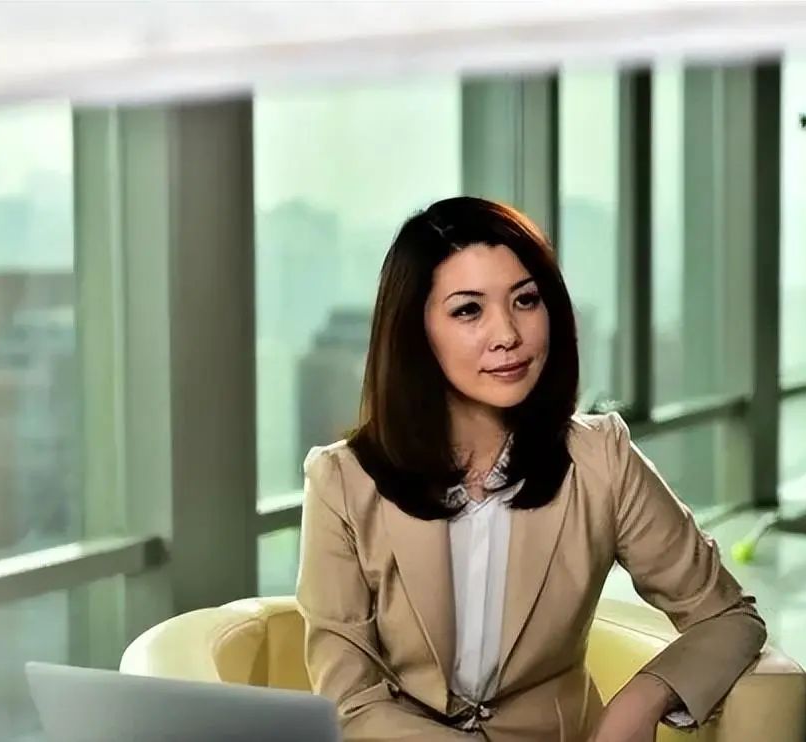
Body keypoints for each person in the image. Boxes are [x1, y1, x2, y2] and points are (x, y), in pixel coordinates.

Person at [297, 197, 766, 742]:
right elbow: (349, 701)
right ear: (415, 331)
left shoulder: (601, 459)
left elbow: (729, 616)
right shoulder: (341, 483)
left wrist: (646, 695)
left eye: (525, 300)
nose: (507, 334)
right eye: (468, 310)